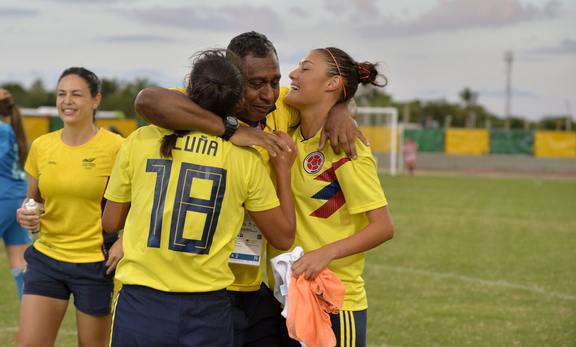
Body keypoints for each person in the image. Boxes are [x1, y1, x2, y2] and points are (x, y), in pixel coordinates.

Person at [134, 31, 365, 347]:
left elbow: (322, 96)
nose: (269, 95)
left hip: (250, 283)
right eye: (256, 84)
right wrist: (232, 129)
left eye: (275, 81)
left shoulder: (278, 109)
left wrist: (341, 111)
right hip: (200, 285)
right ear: (230, 78)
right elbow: (147, 100)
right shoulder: (199, 103)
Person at [101, 49, 296, 347]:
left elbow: (111, 220)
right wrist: (283, 170)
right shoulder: (246, 159)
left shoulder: (141, 140)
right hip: (208, 307)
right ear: (238, 100)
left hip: (142, 301)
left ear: (189, 86)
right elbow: (283, 237)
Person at [267, 47, 395, 347]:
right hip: (288, 297)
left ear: (332, 83)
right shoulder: (292, 134)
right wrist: (342, 108)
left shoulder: (347, 147)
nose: (293, 74)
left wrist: (325, 254)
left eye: (305, 68)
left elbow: (383, 226)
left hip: (334, 303)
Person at [16, 67, 124, 347]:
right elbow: (34, 200)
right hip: (46, 259)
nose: (67, 101)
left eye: (76, 94)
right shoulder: (41, 146)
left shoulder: (117, 148)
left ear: (95, 100)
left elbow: (137, 205)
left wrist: (126, 240)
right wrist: (27, 213)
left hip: (95, 264)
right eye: (62, 94)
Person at [0, 88, 30, 303]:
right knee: (19, 263)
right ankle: (27, 327)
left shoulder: (2, 129)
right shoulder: (13, 128)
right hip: (19, 198)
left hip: (2, 198)